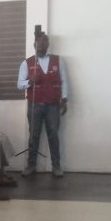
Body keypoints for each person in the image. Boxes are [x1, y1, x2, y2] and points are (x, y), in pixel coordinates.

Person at [17, 33, 69, 177]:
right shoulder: (27, 63)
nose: (42, 44)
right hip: (35, 105)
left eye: (45, 41)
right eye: (39, 42)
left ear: (48, 44)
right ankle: (31, 165)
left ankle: (56, 166)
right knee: (34, 135)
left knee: (53, 135)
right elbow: (19, 85)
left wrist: (64, 99)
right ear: (34, 44)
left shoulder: (58, 61)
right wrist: (30, 81)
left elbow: (64, 81)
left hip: (53, 105)